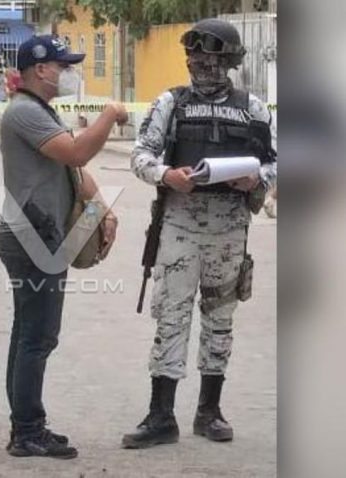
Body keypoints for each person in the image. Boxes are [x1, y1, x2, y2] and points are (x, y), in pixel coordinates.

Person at [123, 18, 277, 449]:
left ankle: (210, 411)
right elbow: (140, 155)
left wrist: (257, 178)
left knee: (220, 320)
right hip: (179, 226)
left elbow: (277, 160)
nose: (201, 65)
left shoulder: (253, 108)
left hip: (230, 230)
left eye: (211, 58)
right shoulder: (170, 103)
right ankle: (161, 416)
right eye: (194, 56)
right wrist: (166, 175)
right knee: (171, 317)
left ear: (229, 62)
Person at [0, 35, 127, 458]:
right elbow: (76, 153)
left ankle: (26, 425)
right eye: (62, 65)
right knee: (37, 337)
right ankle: (27, 432)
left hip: (40, 234)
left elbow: (74, 172)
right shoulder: (24, 112)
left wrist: (103, 210)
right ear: (40, 69)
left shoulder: (40, 111)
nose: (68, 73)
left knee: (29, 333)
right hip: (31, 238)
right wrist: (109, 115)